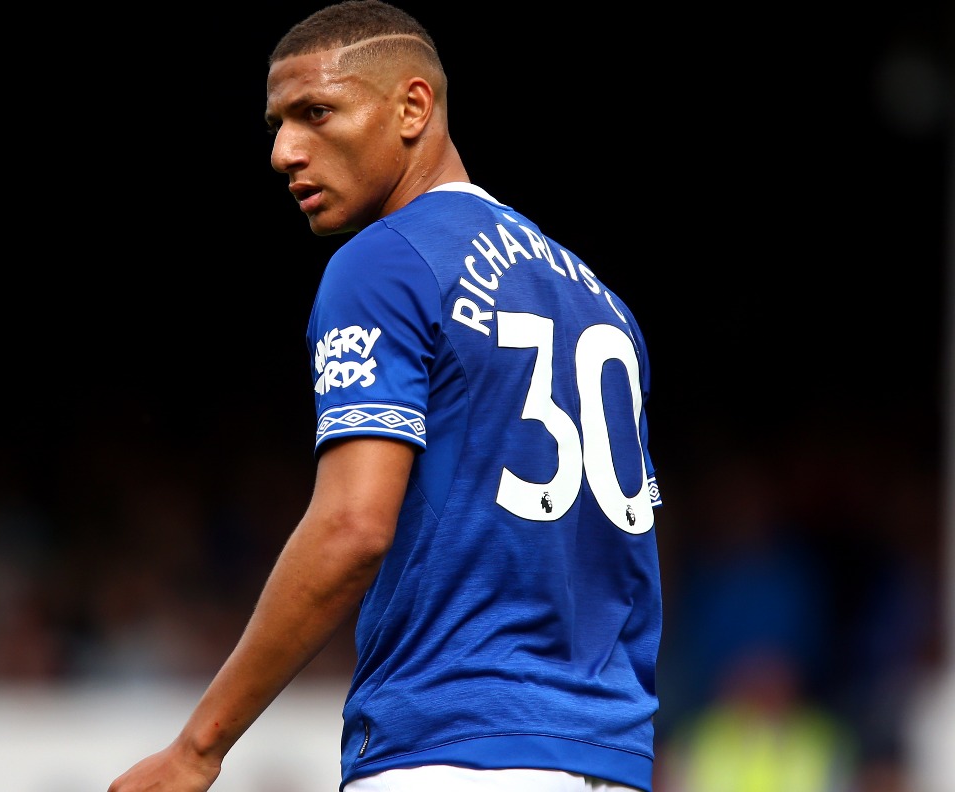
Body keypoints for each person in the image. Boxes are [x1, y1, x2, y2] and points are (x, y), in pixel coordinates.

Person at [108, 2, 663, 790]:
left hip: (452, 747)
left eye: (315, 112)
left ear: (412, 107)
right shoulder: (600, 301)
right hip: (607, 754)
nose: (283, 152)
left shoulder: (387, 261)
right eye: (276, 124)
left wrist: (198, 747)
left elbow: (352, 527)